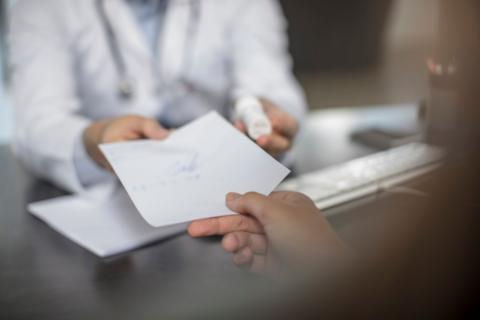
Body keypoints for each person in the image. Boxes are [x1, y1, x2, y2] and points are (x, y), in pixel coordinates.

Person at [9, 0, 306, 192]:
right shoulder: (38, 7)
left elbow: (272, 87)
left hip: (223, 187)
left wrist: (272, 118)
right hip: (111, 193)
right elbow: (37, 123)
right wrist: (92, 140)